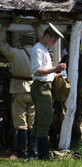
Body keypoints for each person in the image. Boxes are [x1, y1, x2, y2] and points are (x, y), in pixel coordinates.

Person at [0, 24, 37, 158]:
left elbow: (1, 44)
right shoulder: (38, 53)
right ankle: (33, 152)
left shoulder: (15, 53)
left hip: (18, 89)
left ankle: (22, 152)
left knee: (21, 122)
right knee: (32, 121)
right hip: (34, 90)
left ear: (21, 41)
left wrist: (4, 28)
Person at [30, 23, 66, 160]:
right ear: (46, 36)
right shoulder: (38, 50)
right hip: (41, 87)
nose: (53, 43)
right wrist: (55, 69)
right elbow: (37, 71)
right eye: (53, 40)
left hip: (44, 86)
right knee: (44, 121)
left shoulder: (43, 49)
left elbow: (46, 73)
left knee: (39, 120)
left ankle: (33, 152)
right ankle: (43, 155)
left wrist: (58, 73)